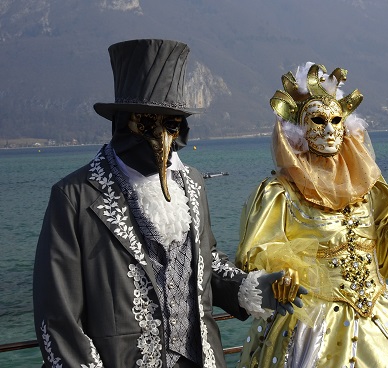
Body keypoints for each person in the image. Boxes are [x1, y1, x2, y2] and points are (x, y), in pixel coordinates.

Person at [32, 39, 304, 368]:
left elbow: (205, 265)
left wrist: (254, 288)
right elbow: (58, 315)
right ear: (121, 122)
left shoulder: (193, 185)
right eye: (147, 123)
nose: (161, 137)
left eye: (171, 125)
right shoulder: (76, 197)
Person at [234, 62, 388, 367]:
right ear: (298, 130)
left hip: (380, 315)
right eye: (318, 120)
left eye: (336, 120)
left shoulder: (369, 189)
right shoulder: (281, 193)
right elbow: (259, 255)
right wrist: (282, 276)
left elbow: (384, 254)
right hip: (312, 325)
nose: (329, 129)